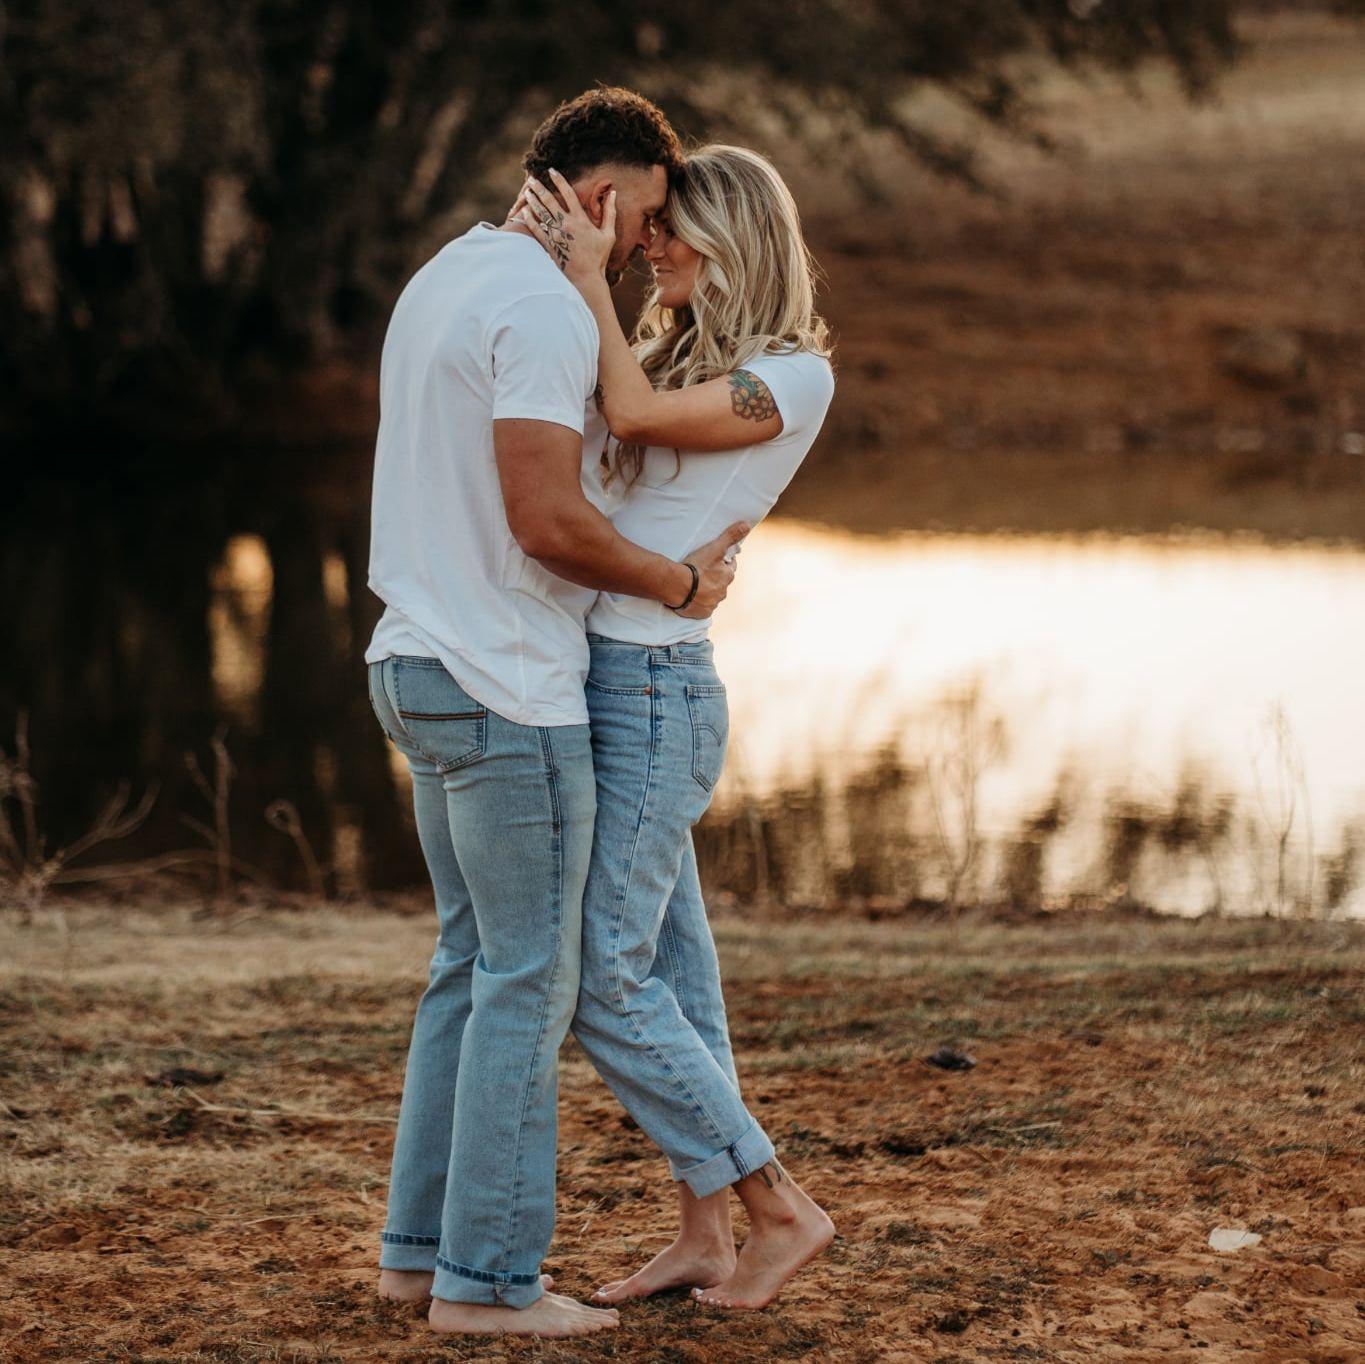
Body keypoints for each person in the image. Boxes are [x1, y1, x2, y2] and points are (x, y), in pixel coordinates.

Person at [363, 88, 749, 1339]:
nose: (645, 247)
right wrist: (677, 582)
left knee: (470, 966)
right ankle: (487, 1283)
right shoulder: (537, 308)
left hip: (416, 660)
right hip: (507, 685)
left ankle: (417, 1256)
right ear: (600, 195)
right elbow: (545, 518)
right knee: (530, 980)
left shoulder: (447, 274)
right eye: (644, 220)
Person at [514, 144, 837, 1311]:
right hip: (610, 678)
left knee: (605, 975)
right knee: (676, 977)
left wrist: (588, 276)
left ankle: (780, 1208)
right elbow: (603, 424)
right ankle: (707, 1231)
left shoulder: (792, 377)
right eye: (647, 230)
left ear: (734, 236)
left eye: (669, 228)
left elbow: (632, 415)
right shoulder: (674, 351)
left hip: (655, 694)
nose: (651, 246)